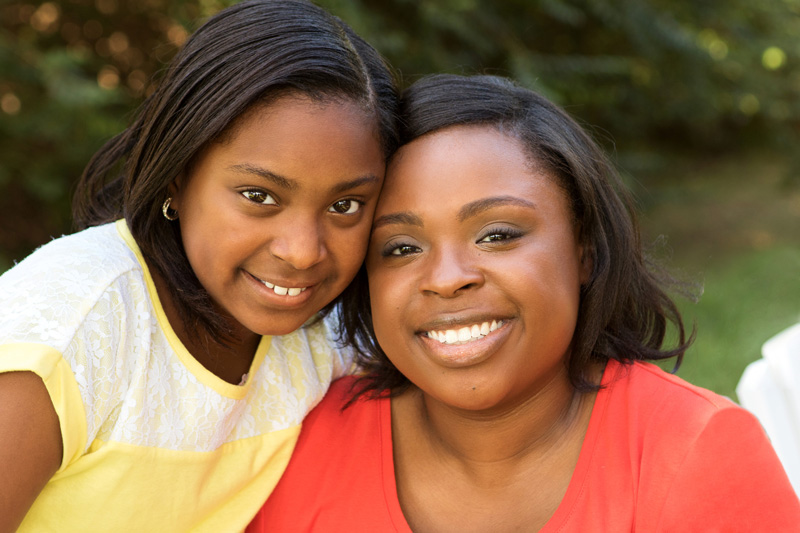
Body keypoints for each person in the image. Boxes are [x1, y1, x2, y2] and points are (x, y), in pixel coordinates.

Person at [248, 74, 800, 532]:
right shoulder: (293, 446)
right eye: (402, 247)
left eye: (497, 235)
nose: (446, 280)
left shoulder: (697, 453)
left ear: (583, 247)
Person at [0, 0, 398, 530]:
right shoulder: (75, 327)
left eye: (344, 206)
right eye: (259, 195)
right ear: (177, 175)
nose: (303, 251)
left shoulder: (323, 342)